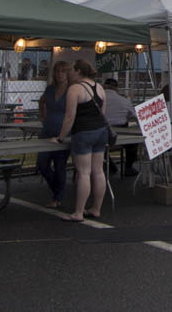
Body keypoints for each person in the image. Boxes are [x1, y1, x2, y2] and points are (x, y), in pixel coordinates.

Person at [53, 59, 107, 222]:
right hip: (100, 132)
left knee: (84, 172)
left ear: (77, 71)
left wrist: (61, 137)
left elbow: (70, 117)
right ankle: (96, 208)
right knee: (98, 171)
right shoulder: (100, 88)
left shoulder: (75, 89)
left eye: (72, 70)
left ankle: (79, 211)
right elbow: (103, 113)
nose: (70, 73)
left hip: (83, 132)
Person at [36, 60, 72, 208]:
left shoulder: (71, 90)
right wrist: (41, 115)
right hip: (47, 129)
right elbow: (41, 101)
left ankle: (58, 197)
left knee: (60, 165)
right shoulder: (50, 89)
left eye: (63, 71)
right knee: (42, 163)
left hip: (62, 130)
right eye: (58, 71)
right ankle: (57, 189)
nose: (60, 75)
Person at [102, 78, 137, 176]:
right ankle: (128, 167)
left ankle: (110, 165)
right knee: (134, 143)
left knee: (100, 146)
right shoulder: (124, 101)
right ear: (117, 88)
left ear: (104, 86)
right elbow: (133, 116)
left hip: (102, 136)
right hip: (121, 137)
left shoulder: (98, 99)